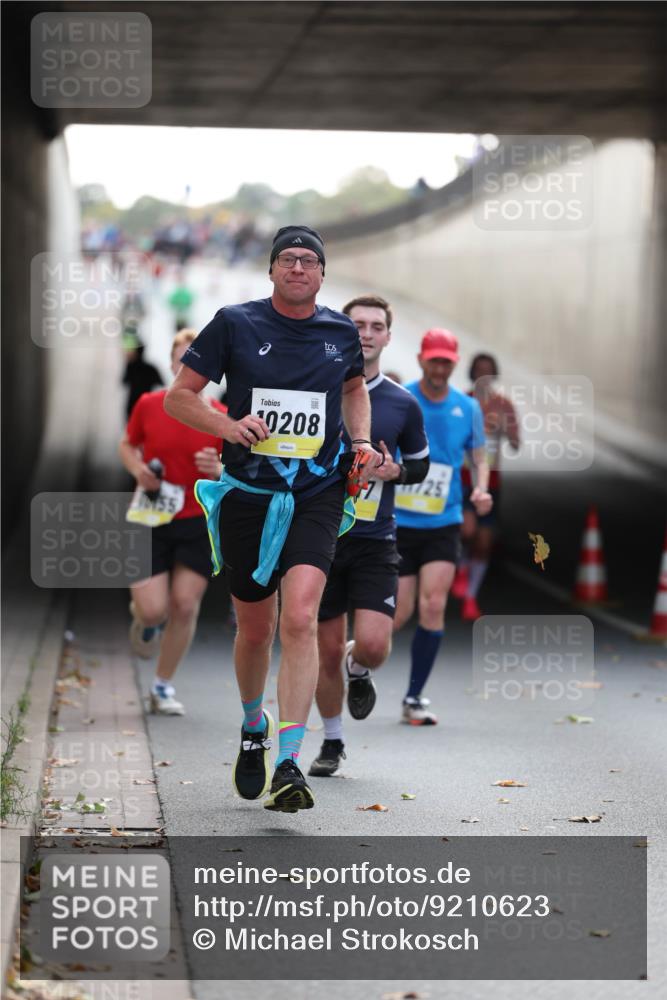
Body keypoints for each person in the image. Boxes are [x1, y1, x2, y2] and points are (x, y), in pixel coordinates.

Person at [164, 225, 380, 813]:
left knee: (302, 617)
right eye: (288, 259)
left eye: (310, 261)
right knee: (255, 628)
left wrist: (359, 440)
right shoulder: (235, 322)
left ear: (322, 273)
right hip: (248, 495)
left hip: (317, 492)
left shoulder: (340, 331)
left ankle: (289, 760)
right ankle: (252, 726)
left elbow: (354, 389)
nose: (298, 268)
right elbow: (179, 397)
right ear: (271, 270)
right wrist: (228, 427)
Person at [309, 296, 429, 777]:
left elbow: (419, 466)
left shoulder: (402, 402)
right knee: (325, 648)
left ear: (387, 337)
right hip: (318, 536)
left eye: (376, 326)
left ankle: (361, 672)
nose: (366, 332)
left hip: (375, 539)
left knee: (374, 645)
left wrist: (390, 468)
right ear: (342, 329)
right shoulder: (316, 388)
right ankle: (333, 742)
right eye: (357, 324)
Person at [119, 329, 226, 715]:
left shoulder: (222, 418)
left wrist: (220, 469)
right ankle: (145, 622)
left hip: (197, 518)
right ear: (170, 364)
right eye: (182, 359)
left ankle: (162, 685)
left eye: (195, 361)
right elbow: (127, 444)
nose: (188, 366)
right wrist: (138, 469)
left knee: (183, 605)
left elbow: (240, 474)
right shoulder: (149, 404)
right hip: (152, 513)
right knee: (152, 610)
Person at [393, 329, 492, 725]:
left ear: (454, 363)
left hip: (443, 522)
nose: (439, 366)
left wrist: (481, 489)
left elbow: (479, 457)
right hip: (399, 522)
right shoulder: (404, 399)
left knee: (434, 606)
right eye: (433, 359)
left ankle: (414, 697)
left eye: (446, 361)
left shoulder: (467, 408)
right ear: (421, 360)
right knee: (397, 614)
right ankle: (358, 664)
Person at [454, 353, 520, 620]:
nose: (483, 375)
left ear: (494, 375)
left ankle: (470, 596)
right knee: (467, 531)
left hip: (490, 481)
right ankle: (459, 569)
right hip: (462, 478)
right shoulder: (460, 400)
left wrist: (503, 428)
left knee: (484, 542)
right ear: (471, 374)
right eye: (478, 370)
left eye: (488, 370)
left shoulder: (503, 406)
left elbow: (516, 443)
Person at [121, 329, 163, 418]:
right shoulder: (148, 368)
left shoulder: (135, 367)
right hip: (137, 407)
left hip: (141, 408)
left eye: (130, 350)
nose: (127, 353)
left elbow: (161, 386)